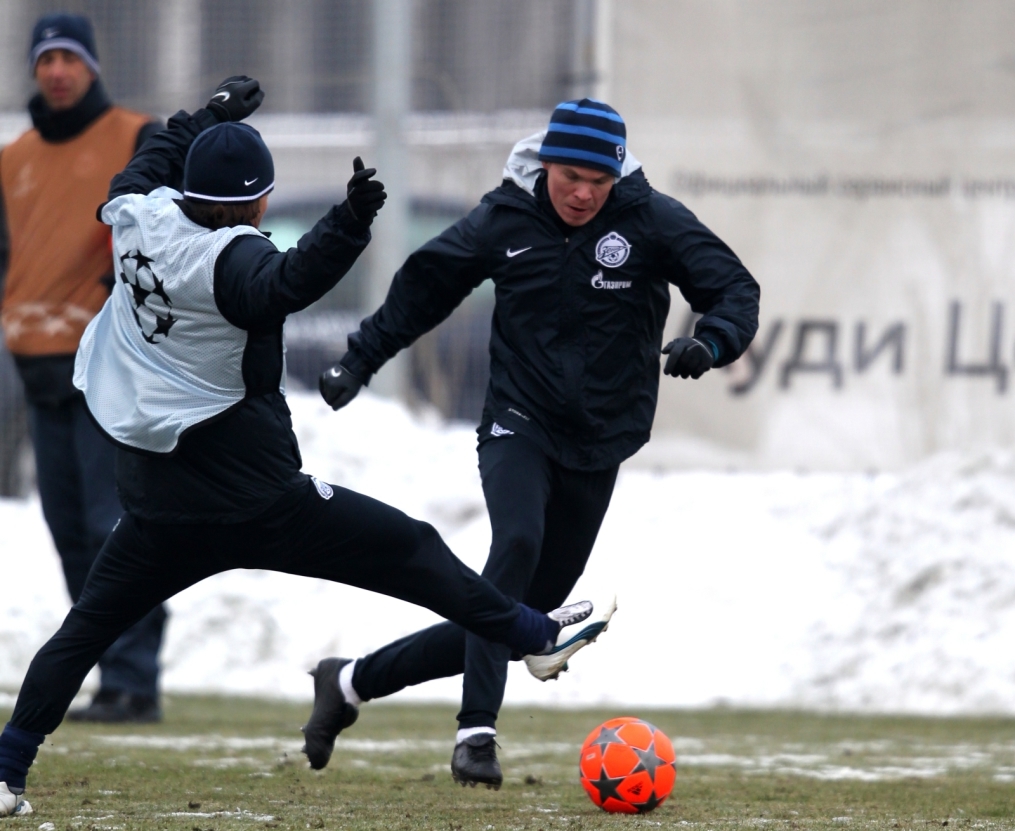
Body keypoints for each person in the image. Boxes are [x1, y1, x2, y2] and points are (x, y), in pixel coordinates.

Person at [0, 76, 602, 819]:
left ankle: (6, 766)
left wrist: (209, 116)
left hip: (159, 498)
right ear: (258, 201)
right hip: (256, 495)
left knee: (85, 628)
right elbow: (290, 279)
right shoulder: (223, 263)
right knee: (410, 549)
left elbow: (148, 158)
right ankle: (532, 635)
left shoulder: (138, 216)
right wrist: (349, 222)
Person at [318, 98, 761, 789]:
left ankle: (349, 681)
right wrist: (359, 358)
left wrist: (710, 341)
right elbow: (424, 288)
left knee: (525, 613)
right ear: (546, 163)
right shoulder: (505, 216)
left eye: (598, 180)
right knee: (516, 544)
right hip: (517, 421)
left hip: (603, 436)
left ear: (617, 175)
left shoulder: (651, 218)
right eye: (569, 176)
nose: (583, 192)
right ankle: (476, 735)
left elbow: (733, 288)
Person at [0, 13, 168, 723]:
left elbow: (163, 230)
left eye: (70, 57)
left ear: (93, 66)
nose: (58, 71)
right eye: (46, 60)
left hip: (107, 365)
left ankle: (134, 677)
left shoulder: (135, 136)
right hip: (36, 369)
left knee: (113, 525)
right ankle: (111, 672)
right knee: (69, 529)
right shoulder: (12, 158)